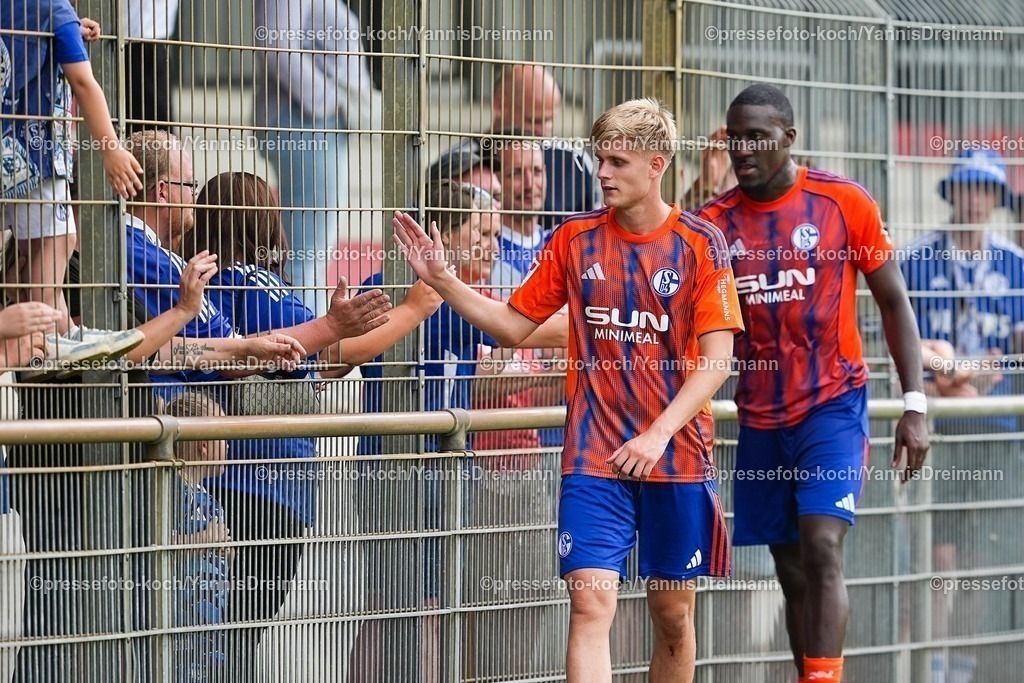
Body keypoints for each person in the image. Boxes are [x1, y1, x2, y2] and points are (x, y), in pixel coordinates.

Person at [394, 98, 743, 682]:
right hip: (593, 459)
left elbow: (716, 363)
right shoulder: (574, 240)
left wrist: (658, 434)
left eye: (618, 161)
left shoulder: (700, 245)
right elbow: (511, 325)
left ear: (657, 165)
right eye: (598, 159)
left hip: (676, 456)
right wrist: (444, 280)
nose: (602, 173)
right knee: (589, 604)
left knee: (672, 616)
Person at [697, 84, 930, 683]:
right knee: (791, 566)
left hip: (833, 405)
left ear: (789, 139)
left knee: (822, 544)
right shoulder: (714, 228)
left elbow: (894, 302)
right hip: (761, 418)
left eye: (757, 136)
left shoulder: (842, 202)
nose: (743, 148)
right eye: (734, 137)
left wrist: (914, 404)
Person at [186, 171, 441, 681]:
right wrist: (414, 309)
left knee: (211, 632)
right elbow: (329, 352)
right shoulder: (257, 282)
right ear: (264, 220)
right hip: (263, 483)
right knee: (236, 634)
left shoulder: (204, 283)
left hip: (217, 478)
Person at [900, 149, 1024, 683]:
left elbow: (1017, 353)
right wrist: (945, 377)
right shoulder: (915, 258)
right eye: (967, 187)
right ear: (952, 193)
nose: (976, 199)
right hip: (935, 425)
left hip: (996, 426)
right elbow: (892, 340)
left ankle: (966, 667)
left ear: (997, 198)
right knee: (936, 558)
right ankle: (929, 660)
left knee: (980, 560)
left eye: (986, 189)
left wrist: (967, 371)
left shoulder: (1015, 264)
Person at [1, 0, 144, 361]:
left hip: (7, 148)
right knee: (56, 241)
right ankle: (49, 336)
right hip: (37, 151)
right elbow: (83, 80)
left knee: (38, 243)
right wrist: (111, 149)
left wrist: (72, 28)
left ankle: (60, 330)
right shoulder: (54, 8)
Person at [254, 0, 380, 317]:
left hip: (311, 122)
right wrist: (328, 102)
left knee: (308, 251)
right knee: (305, 253)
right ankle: (301, 356)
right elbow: (276, 43)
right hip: (305, 123)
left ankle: (298, 352)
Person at [163, 392, 232, 683]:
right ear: (204, 446)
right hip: (180, 624)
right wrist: (207, 539)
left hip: (206, 628)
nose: (229, 445)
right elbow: (159, 547)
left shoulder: (204, 495)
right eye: (223, 437)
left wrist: (224, 549)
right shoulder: (175, 489)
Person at [488, 65, 599, 230]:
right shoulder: (463, 164)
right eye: (533, 121)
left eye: (548, 120)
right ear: (500, 105)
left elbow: (593, 235)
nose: (542, 131)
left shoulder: (575, 163)